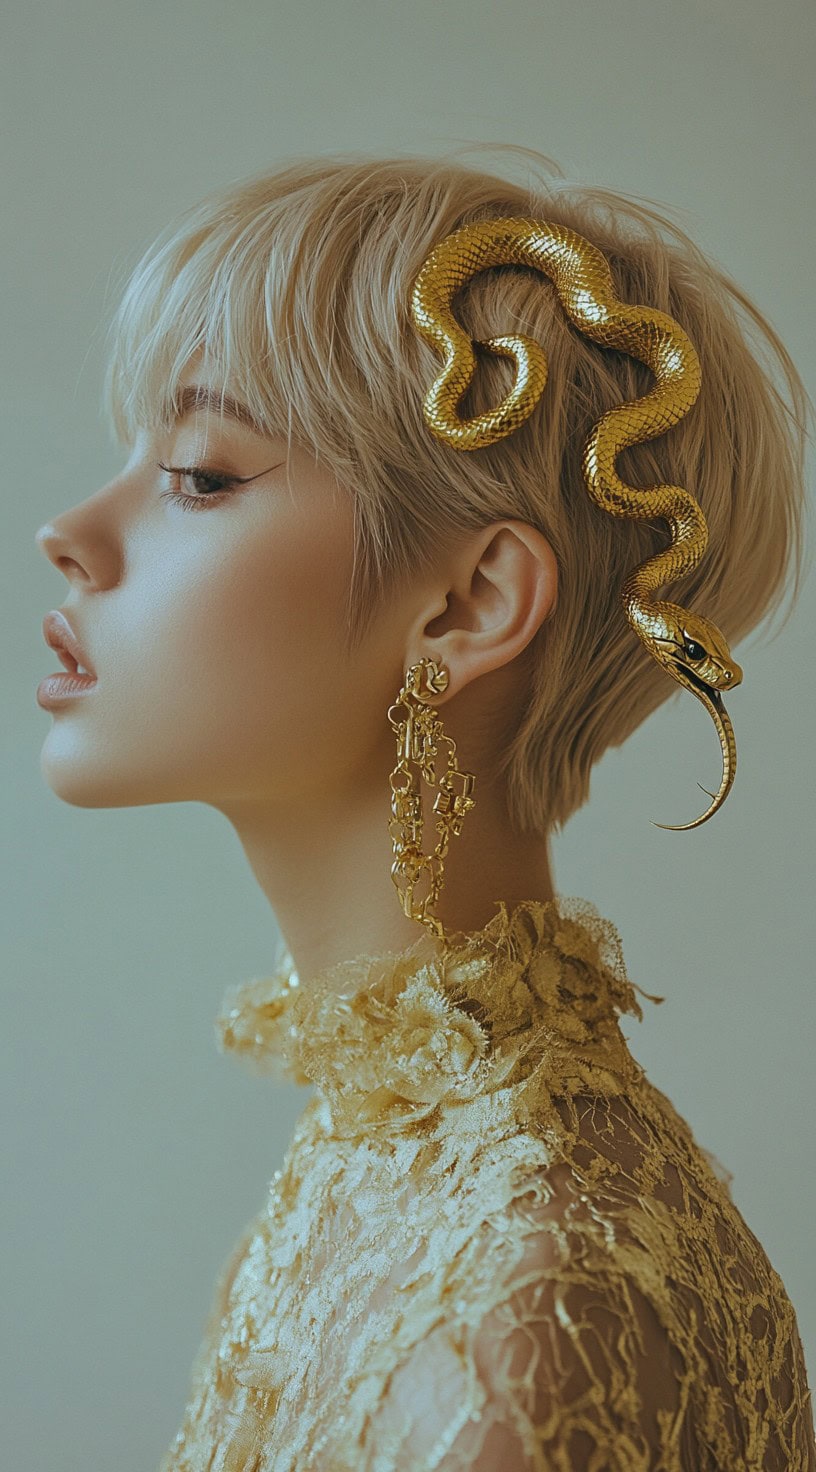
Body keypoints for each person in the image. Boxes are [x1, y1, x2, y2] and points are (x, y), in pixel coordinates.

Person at [35, 146, 815, 1470]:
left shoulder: (531, 1301)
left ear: (468, 607)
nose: (69, 532)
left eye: (203, 476)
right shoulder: (394, 1151)